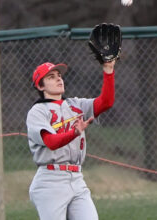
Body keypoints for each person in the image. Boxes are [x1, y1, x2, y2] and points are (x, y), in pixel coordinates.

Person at [26, 59, 116, 220]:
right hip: (50, 181)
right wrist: (74, 132)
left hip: (76, 179)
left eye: (59, 75)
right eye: (51, 77)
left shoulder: (76, 105)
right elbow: (51, 142)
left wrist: (108, 71)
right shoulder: (37, 111)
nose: (59, 79)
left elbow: (106, 102)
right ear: (40, 86)